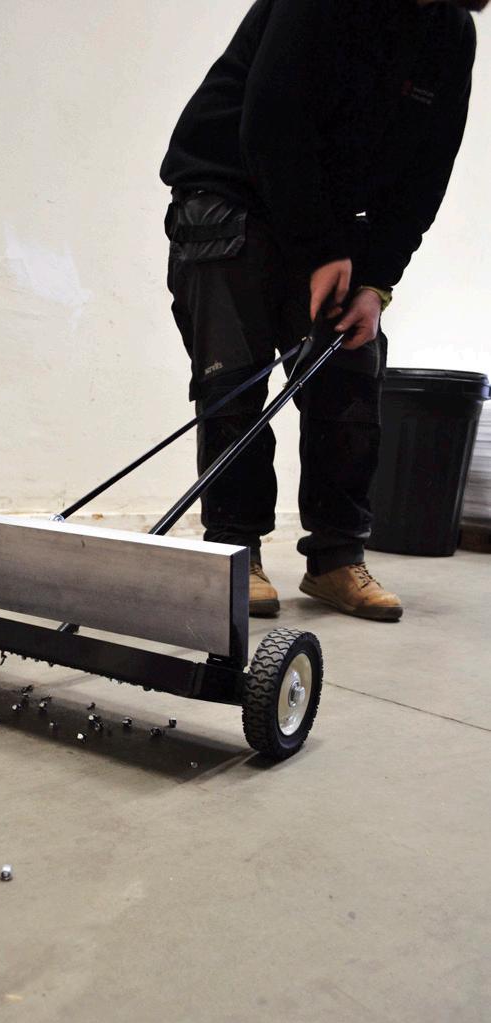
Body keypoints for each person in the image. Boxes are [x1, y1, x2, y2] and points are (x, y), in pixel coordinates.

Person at [160, 0, 483, 620]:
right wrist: (321, 250)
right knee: (234, 383)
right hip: (229, 195)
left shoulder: (450, 31)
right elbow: (271, 124)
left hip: (330, 220)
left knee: (351, 383)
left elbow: (426, 171)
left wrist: (377, 282)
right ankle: (234, 552)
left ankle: (336, 559)